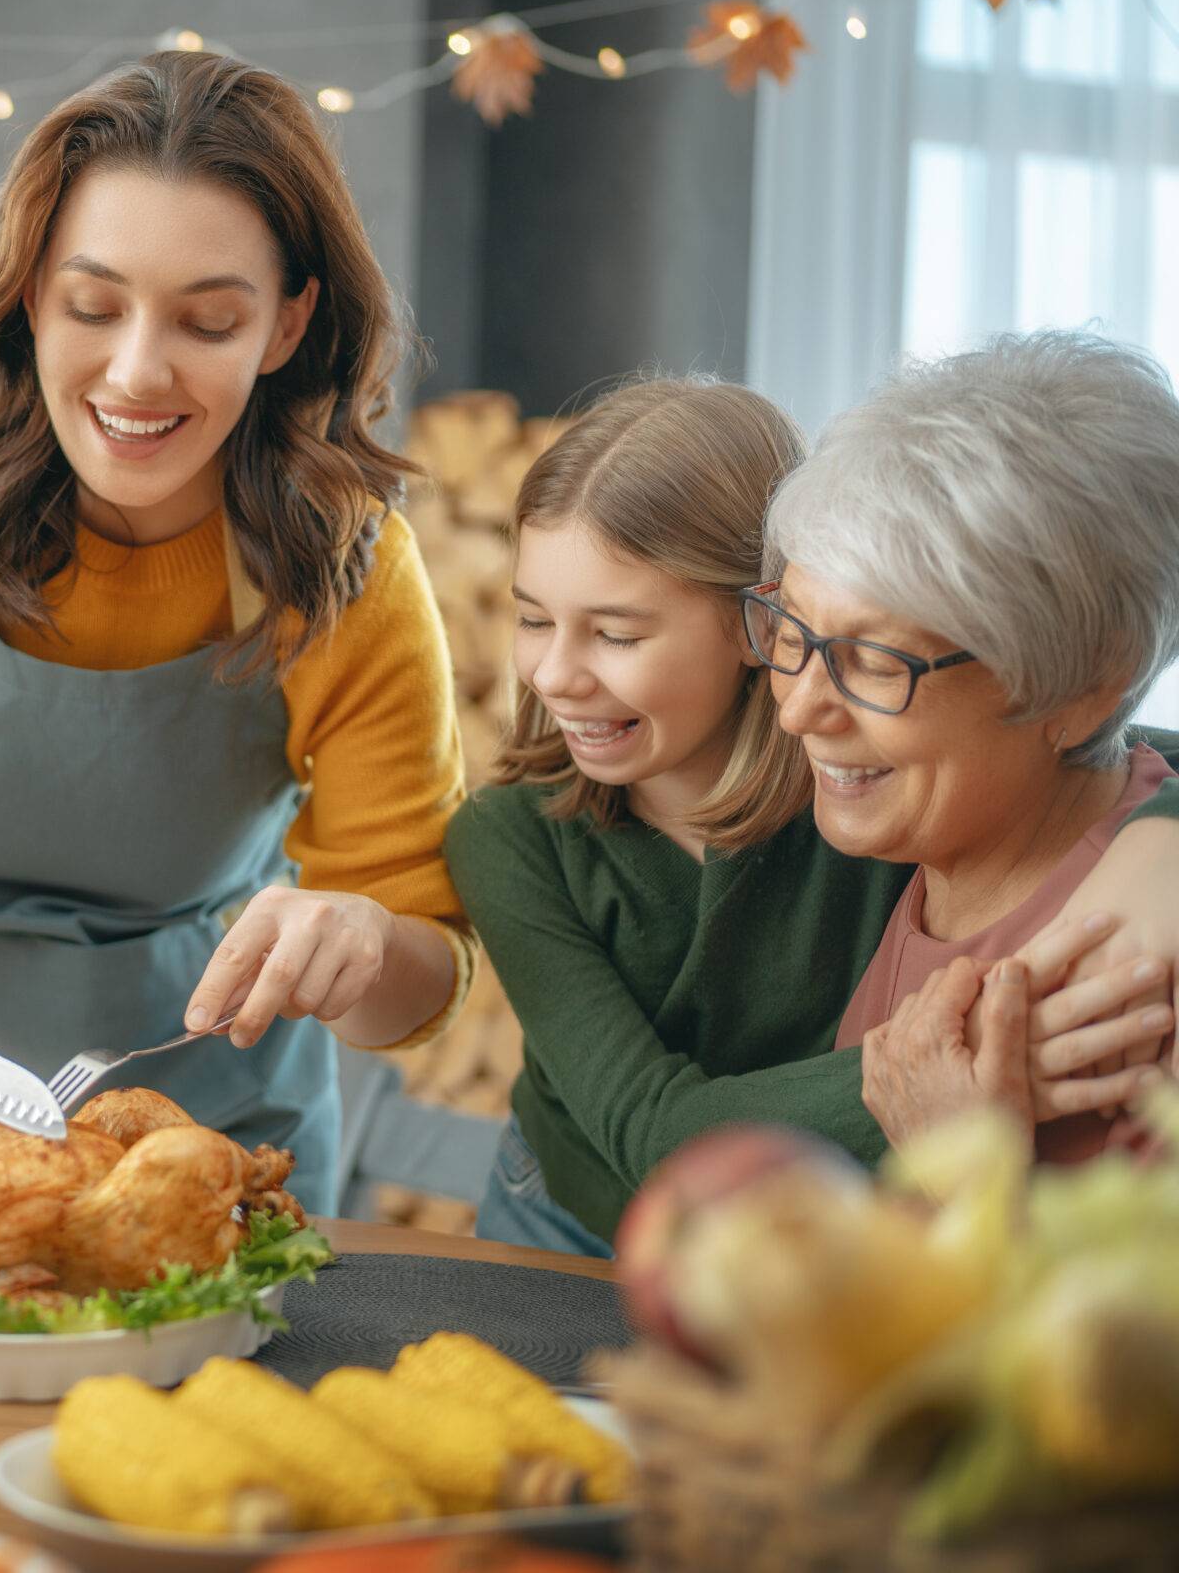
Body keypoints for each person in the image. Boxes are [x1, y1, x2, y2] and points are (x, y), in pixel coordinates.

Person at [0, 52, 472, 1209]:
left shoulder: (345, 563)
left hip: (226, 1155)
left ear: (285, 325)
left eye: (207, 320)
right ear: (26, 294)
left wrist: (364, 939)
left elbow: (407, 996)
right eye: (92, 306)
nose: (135, 371)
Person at [446, 376, 1179, 1258]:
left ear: (739, 629)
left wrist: (1163, 835)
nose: (555, 673)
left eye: (617, 633)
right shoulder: (878, 788)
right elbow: (652, 1130)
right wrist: (942, 1067)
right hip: (584, 1212)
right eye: (793, 637)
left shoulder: (878, 791)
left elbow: (1113, 726)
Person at [758, 331, 1179, 1157]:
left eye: (876, 661)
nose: (799, 711)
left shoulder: (1137, 977)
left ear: (1085, 686)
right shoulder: (934, 855)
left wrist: (962, 1177)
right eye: (790, 630)